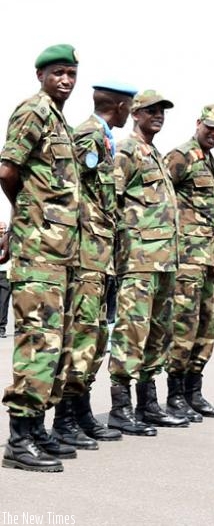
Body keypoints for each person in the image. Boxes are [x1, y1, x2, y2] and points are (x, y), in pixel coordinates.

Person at [0, 44, 81, 473]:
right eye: (58, 73)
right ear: (41, 76)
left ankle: (35, 429)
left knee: (55, 343)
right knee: (38, 341)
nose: (66, 80)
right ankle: (18, 440)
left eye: (71, 74)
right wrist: (25, 215)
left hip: (60, 252)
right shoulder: (32, 111)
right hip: (38, 250)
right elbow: (7, 169)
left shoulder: (58, 119)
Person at [52, 83, 138, 450]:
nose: (131, 113)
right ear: (119, 106)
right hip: (85, 255)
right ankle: (65, 419)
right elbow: (69, 189)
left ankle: (81, 411)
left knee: (95, 337)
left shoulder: (104, 138)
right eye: (130, 107)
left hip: (101, 257)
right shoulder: (88, 135)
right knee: (81, 335)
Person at [107, 90, 187, 436]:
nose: (158, 116)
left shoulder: (154, 154)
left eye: (162, 111)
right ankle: (120, 408)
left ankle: (148, 404)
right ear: (135, 113)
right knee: (132, 330)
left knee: (158, 333)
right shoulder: (126, 150)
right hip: (138, 259)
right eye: (151, 111)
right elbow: (112, 199)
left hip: (166, 261)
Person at [164, 104, 214, 422]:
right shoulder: (181, 155)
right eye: (211, 127)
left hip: (207, 260)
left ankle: (194, 392)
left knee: (206, 328)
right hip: (185, 259)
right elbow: (159, 200)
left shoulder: (211, 163)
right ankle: (175, 395)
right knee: (183, 326)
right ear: (198, 123)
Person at [0, 222, 10, 338]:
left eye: (3, 228)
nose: (2, 230)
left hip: (5, 274)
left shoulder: (9, 240)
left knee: (3, 302)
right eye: (0, 228)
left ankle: (2, 328)